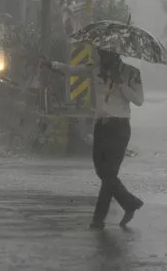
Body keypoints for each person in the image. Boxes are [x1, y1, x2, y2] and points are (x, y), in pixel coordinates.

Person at [43, 49, 145, 229]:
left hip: (119, 127)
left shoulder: (132, 73)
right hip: (101, 126)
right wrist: (52, 65)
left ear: (117, 55)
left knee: (109, 174)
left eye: (106, 54)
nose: (102, 57)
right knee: (102, 171)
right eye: (101, 53)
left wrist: (120, 82)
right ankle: (129, 202)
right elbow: (73, 70)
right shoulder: (95, 69)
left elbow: (138, 100)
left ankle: (98, 220)